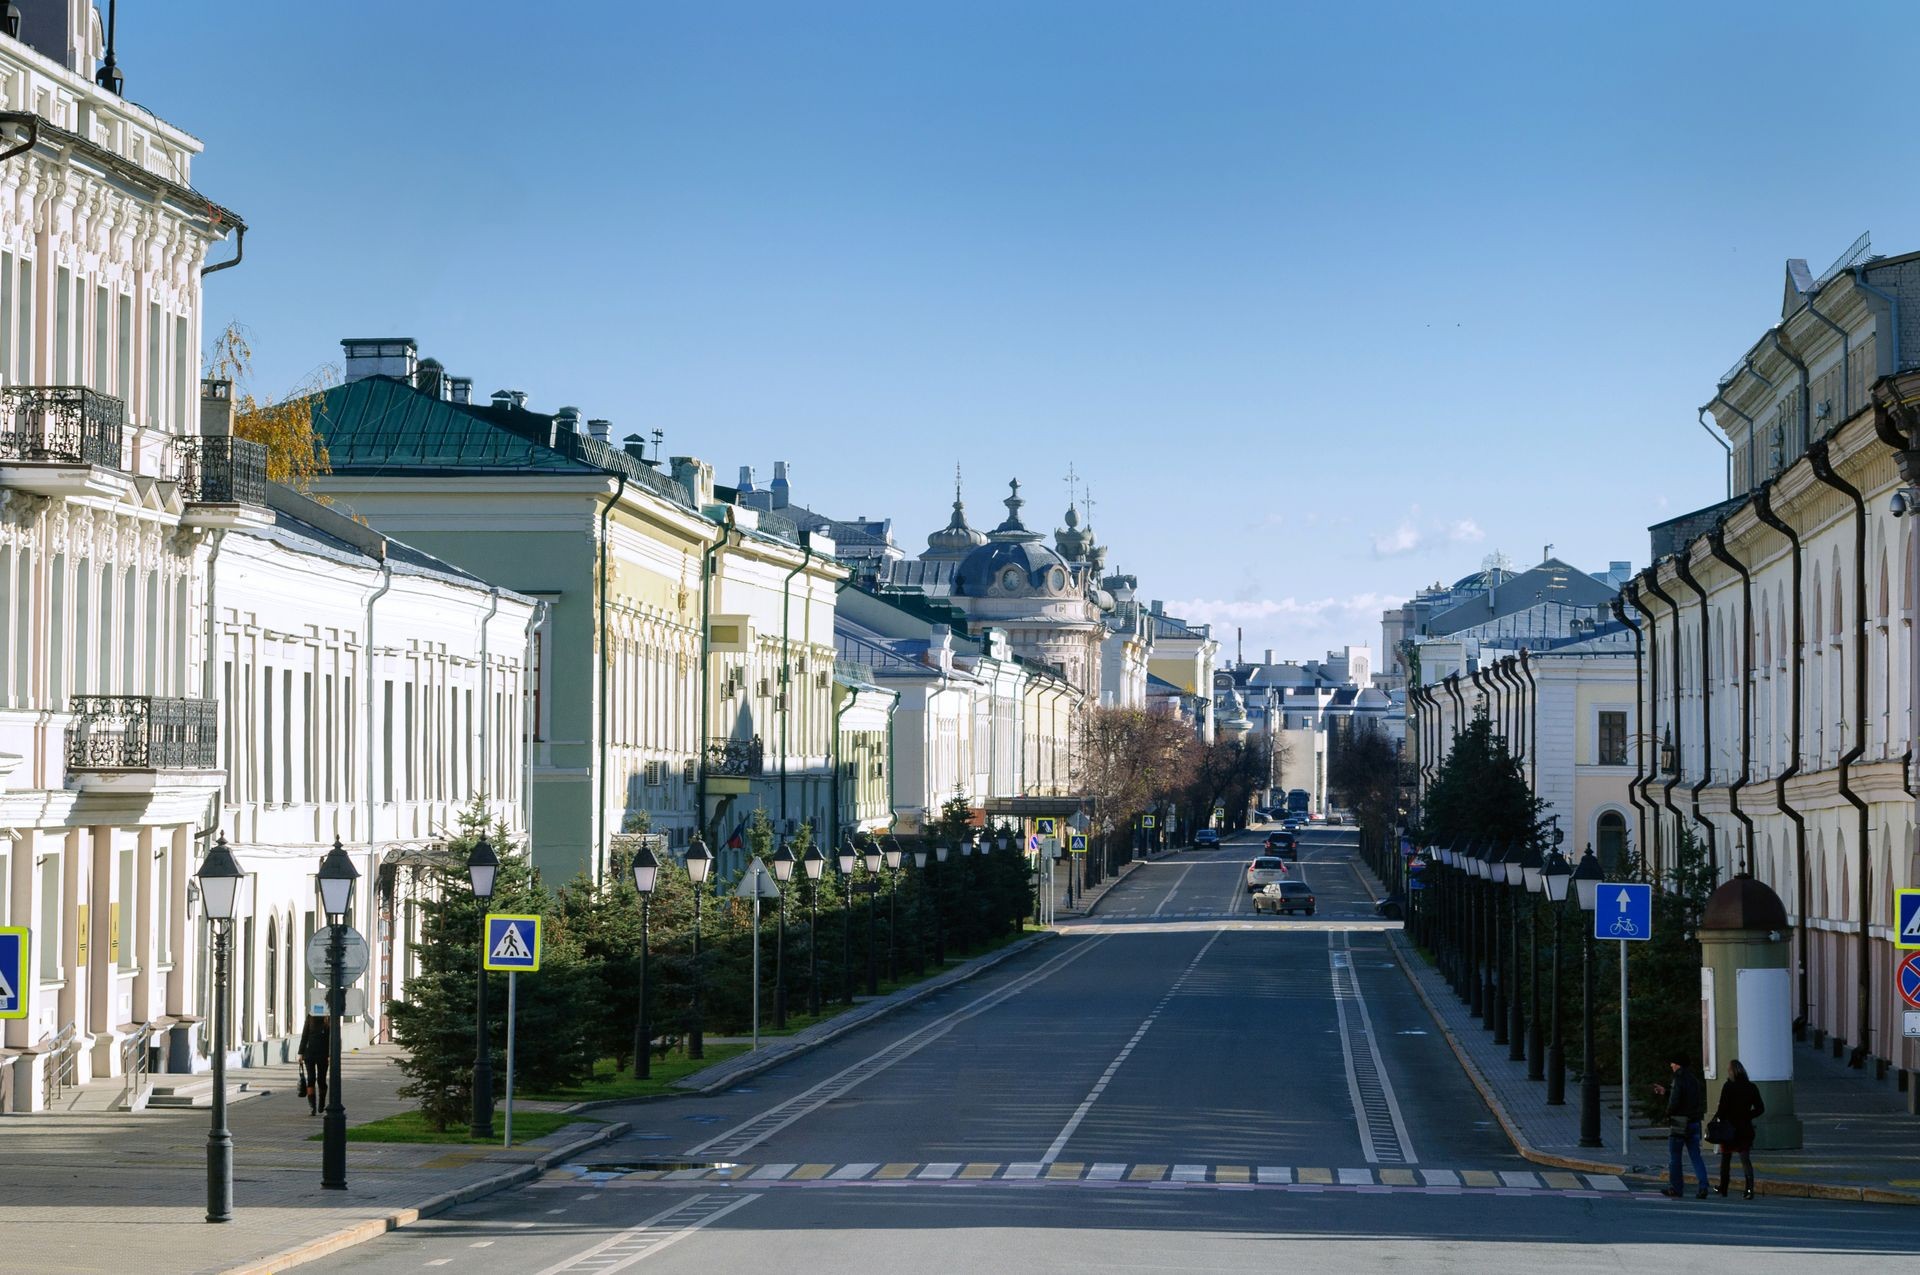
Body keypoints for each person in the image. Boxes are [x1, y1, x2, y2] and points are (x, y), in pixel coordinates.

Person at [1652, 1052, 1709, 1199]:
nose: (1671, 1065)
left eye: (1673, 1063)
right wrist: (1667, 1092)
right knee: (1695, 1155)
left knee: (1675, 1156)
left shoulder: (1678, 1078)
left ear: (1678, 1064)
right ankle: (1703, 1186)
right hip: (1694, 1121)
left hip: (1679, 1122)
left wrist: (1668, 1113)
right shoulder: (1693, 1079)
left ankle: (1676, 1188)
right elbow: (1689, 1097)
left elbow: (1676, 1100)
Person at [1712, 1059, 1765, 1199]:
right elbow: (1760, 1108)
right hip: (1745, 1127)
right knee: (1745, 1159)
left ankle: (1723, 1187)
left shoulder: (1728, 1086)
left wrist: (1718, 1119)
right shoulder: (1751, 1087)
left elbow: (1722, 1108)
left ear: (1731, 1072)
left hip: (1729, 1128)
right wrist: (1748, 1115)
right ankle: (1749, 1189)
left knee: (1726, 1159)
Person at [296, 1012, 329, 1117]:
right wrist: (300, 1053)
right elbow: (304, 1035)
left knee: (321, 1080)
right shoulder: (310, 1017)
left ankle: (322, 1102)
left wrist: (331, 1054)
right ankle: (312, 1107)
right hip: (309, 1054)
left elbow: (332, 1038)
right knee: (311, 1079)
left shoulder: (329, 1018)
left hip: (323, 1054)